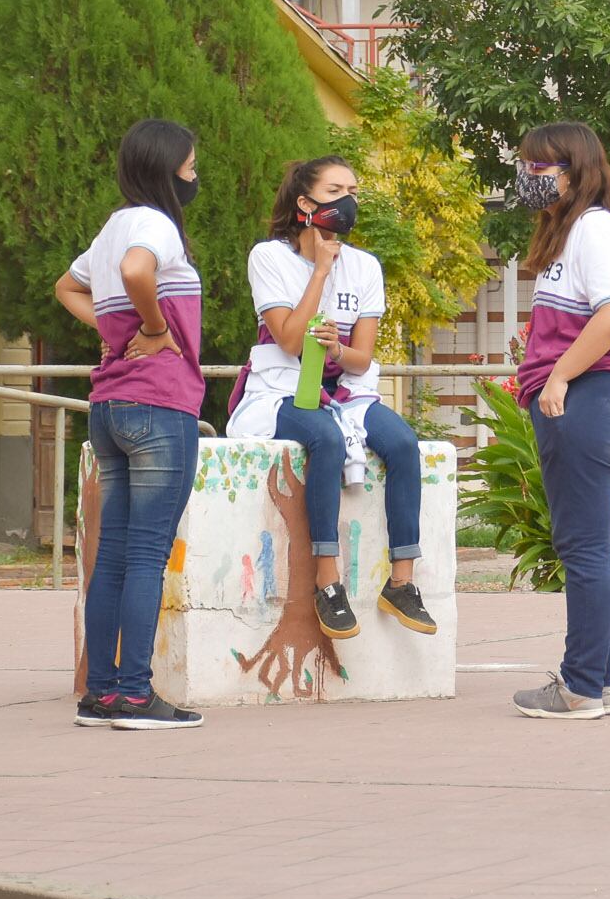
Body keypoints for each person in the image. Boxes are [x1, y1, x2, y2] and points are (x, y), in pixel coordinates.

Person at [227, 156, 437, 640]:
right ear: (305, 204)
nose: (347, 202)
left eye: (353, 191)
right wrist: (320, 272)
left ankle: (402, 582)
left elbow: (362, 357)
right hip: (282, 386)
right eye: (335, 190)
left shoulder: (365, 267)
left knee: (403, 444)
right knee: (321, 437)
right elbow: (288, 340)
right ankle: (328, 579)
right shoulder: (270, 257)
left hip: (347, 390)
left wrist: (340, 349)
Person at [53, 119, 207, 732]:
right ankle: (136, 696)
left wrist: (113, 331)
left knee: (112, 555)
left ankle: (101, 694)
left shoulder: (112, 228)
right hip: (160, 404)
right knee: (146, 555)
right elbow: (142, 273)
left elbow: (66, 287)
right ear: (166, 171)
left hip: (110, 408)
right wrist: (152, 329)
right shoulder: (152, 225)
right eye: (191, 170)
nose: (195, 179)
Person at [510, 123, 610, 721]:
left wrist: (559, 375)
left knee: (585, 550)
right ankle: (597, 682)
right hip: (582, 400)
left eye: (540, 168)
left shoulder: (595, 228)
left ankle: (583, 685)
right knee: (590, 550)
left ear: (575, 169)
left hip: (586, 400)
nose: (529, 179)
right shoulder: (571, 234)